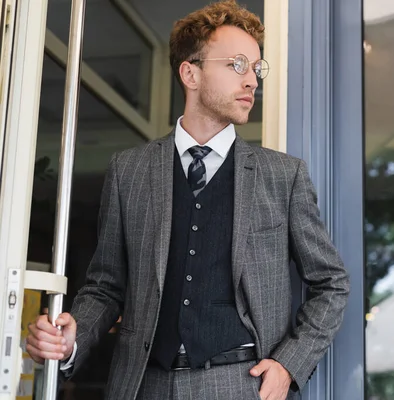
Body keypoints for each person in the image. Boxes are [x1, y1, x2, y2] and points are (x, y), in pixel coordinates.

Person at [25, 1, 350, 399]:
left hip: (243, 385)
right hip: (145, 385)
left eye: (256, 69)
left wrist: (288, 365)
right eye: (237, 65)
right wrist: (71, 339)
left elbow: (331, 283)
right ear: (190, 73)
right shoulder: (129, 171)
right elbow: (106, 286)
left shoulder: (284, 176)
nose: (251, 81)